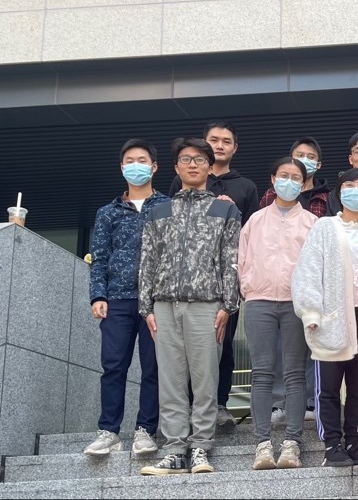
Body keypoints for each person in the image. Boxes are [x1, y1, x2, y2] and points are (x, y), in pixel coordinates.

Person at [138, 138, 241, 475]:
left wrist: (228, 305)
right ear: (176, 167)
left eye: (199, 159)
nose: (193, 164)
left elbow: (231, 261)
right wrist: (146, 307)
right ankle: (174, 450)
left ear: (210, 167)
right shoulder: (158, 210)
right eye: (186, 159)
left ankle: (200, 448)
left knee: (205, 380)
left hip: (207, 306)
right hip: (164, 306)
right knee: (170, 381)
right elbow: (148, 261)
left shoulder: (225, 210)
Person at [167, 120, 258, 432]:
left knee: (224, 343)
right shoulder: (181, 181)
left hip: (223, 282)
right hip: (184, 282)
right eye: (214, 140)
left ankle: (219, 404)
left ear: (235, 148)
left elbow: (249, 236)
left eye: (226, 141)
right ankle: (187, 408)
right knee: (183, 349)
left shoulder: (245, 187)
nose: (220, 146)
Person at [84, 140, 168, 458]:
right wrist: (98, 294)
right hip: (117, 299)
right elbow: (100, 257)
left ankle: (146, 430)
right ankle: (109, 431)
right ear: (121, 168)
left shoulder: (168, 207)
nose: (136, 165)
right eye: (129, 161)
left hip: (157, 301)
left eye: (141, 160)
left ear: (154, 167)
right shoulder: (108, 212)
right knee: (113, 366)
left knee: (153, 368)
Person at [293, 169, 358, 467]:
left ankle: (355, 441)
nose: (357, 191)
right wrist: (311, 310)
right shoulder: (325, 227)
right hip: (333, 318)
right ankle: (332, 444)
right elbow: (308, 270)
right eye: (350, 185)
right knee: (328, 387)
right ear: (339, 192)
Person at [239, 158, 317, 470]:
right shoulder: (255, 220)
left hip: (296, 303)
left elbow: (317, 264)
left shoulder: (311, 222)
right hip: (259, 301)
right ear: (273, 179)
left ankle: (292, 443)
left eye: (295, 177)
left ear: (304, 183)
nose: (289, 181)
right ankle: (262, 443)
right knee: (261, 372)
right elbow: (242, 259)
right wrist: (248, 286)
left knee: (295, 373)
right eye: (283, 175)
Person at [259, 137, 331, 217]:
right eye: (300, 155)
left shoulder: (327, 198)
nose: (305, 160)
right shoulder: (272, 194)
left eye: (311, 157)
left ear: (318, 165)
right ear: (291, 159)